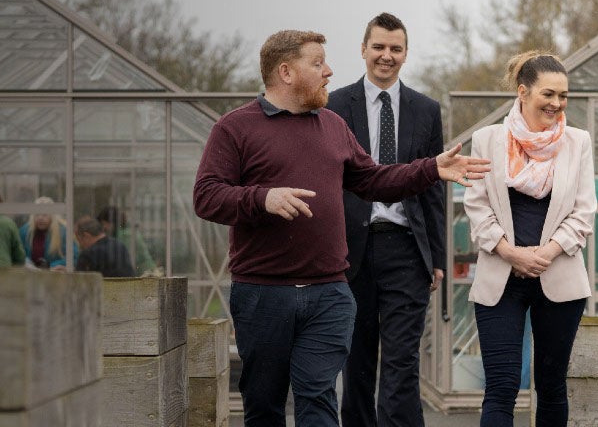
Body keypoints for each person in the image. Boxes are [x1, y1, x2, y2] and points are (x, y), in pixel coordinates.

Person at [193, 29, 491, 427]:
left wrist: (430, 169)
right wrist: (262, 199)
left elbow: (374, 180)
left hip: (329, 292)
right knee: (264, 404)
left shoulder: (332, 126)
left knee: (318, 397)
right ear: (286, 71)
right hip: (264, 293)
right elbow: (206, 196)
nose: (329, 72)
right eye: (317, 64)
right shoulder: (235, 128)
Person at [463, 51, 596, 427]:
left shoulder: (577, 142)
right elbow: (477, 207)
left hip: (559, 278)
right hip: (500, 279)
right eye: (548, 94)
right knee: (502, 387)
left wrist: (546, 252)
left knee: (552, 386)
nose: (557, 103)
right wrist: (511, 252)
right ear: (523, 92)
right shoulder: (487, 140)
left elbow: (583, 212)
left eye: (564, 96)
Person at [327, 12, 444, 427]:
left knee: (402, 360)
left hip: (407, 249)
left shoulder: (427, 111)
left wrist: (439, 257)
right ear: (363, 49)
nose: (386, 56)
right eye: (378, 47)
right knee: (355, 359)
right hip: (349, 249)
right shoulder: (335, 105)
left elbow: (434, 189)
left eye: (395, 48)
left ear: (406, 53)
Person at [97, 206, 159, 276]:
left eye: (104, 224)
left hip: (144, 273)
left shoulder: (125, 235)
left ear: (111, 222)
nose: (104, 227)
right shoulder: (125, 232)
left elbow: (124, 259)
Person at [19, 196, 78, 269]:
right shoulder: (25, 231)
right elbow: (18, 254)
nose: (40, 218)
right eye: (37, 214)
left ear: (52, 215)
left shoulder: (63, 232)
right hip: (30, 276)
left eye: (44, 214)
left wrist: (51, 265)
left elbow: (73, 258)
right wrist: (26, 262)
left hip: (55, 276)